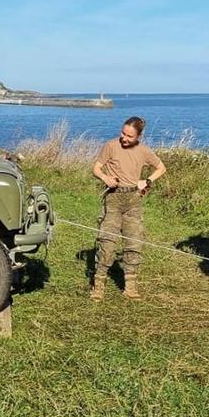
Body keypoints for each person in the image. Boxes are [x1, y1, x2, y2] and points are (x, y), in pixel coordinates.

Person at [90, 116, 167, 301]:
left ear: (139, 136)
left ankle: (130, 287)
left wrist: (147, 181)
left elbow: (161, 168)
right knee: (107, 242)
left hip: (134, 200)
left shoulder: (144, 151)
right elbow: (96, 168)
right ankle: (98, 285)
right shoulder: (111, 145)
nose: (124, 138)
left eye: (129, 136)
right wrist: (105, 178)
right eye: (123, 133)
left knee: (134, 243)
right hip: (114, 198)